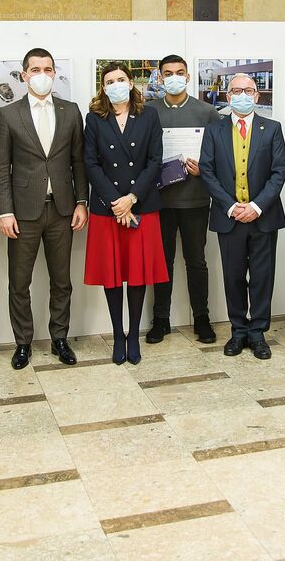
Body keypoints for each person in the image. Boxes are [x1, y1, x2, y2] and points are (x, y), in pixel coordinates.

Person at [0, 48, 88, 370]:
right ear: (24, 75)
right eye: (35, 70)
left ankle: (60, 338)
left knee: (62, 281)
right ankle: (23, 343)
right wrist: (5, 211)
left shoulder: (70, 111)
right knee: (19, 283)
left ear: (54, 73)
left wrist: (81, 201)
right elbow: (2, 168)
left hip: (62, 210)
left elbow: (78, 161)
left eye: (48, 69)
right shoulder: (8, 114)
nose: (42, 75)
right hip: (23, 213)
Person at [83, 62, 169, 364]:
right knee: (111, 275)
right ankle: (118, 334)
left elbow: (155, 160)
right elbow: (90, 163)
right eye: (110, 81)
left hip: (141, 206)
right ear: (103, 88)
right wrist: (115, 202)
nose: (116, 84)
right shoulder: (94, 118)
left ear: (131, 83)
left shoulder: (149, 115)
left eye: (121, 79)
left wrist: (131, 198)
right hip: (107, 209)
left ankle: (133, 335)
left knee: (136, 274)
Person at [199, 73, 285, 360]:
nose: (242, 96)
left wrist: (257, 206)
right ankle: (238, 330)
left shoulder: (271, 128)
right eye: (236, 91)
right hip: (229, 217)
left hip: (263, 216)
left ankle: (258, 332)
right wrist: (231, 206)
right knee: (233, 276)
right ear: (228, 96)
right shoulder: (214, 130)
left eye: (248, 90)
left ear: (257, 95)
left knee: (262, 277)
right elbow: (207, 171)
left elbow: (279, 171)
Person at [147, 55, 219, 344]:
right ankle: (160, 319)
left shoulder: (207, 112)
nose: (174, 77)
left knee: (196, 262)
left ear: (188, 77)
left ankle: (201, 318)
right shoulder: (149, 111)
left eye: (179, 72)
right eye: (168, 73)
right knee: (162, 262)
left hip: (196, 200)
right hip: (160, 200)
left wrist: (204, 169)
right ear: (160, 77)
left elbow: (219, 156)